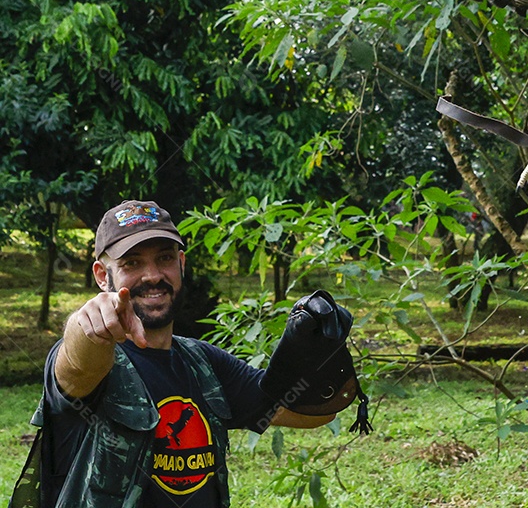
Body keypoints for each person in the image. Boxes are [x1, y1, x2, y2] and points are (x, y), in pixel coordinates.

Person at [20, 199, 350, 508]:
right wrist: (85, 324)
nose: (152, 276)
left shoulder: (204, 364)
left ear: (180, 264)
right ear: (103, 276)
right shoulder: (95, 361)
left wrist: (317, 347)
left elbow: (310, 413)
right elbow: (78, 367)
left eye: (164, 258)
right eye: (132, 263)